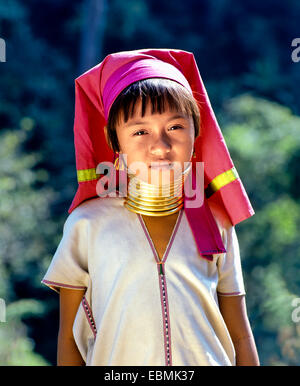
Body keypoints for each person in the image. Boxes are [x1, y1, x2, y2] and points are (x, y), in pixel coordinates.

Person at [42, 48, 260, 366]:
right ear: (114, 142)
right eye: (140, 132)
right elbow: (68, 340)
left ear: (196, 133)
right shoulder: (86, 225)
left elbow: (240, 334)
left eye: (175, 127)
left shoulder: (216, 223)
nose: (160, 146)